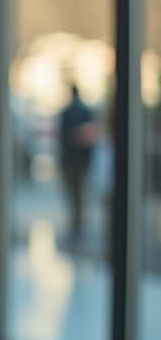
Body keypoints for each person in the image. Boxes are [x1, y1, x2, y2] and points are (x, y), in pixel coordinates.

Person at [58, 83, 98, 246]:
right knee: (80, 195)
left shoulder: (66, 113)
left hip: (70, 162)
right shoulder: (86, 112)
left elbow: (61, 140)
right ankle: (79, 226)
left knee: (73, 196)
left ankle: (76, 226)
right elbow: (91, 139)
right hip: (82, 162)